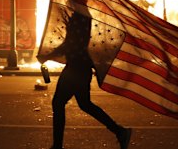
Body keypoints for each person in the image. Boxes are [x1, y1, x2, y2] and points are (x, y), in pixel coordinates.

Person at [38, 12, 132, 149]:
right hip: (80, 67)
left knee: (59, 103)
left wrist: (48, 56)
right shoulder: (80, 14)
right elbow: (70, 43)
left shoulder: (81, 16)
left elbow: (71, 44)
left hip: (77, 68)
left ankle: (57, 146)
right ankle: (120, 131)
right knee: (84, 104)